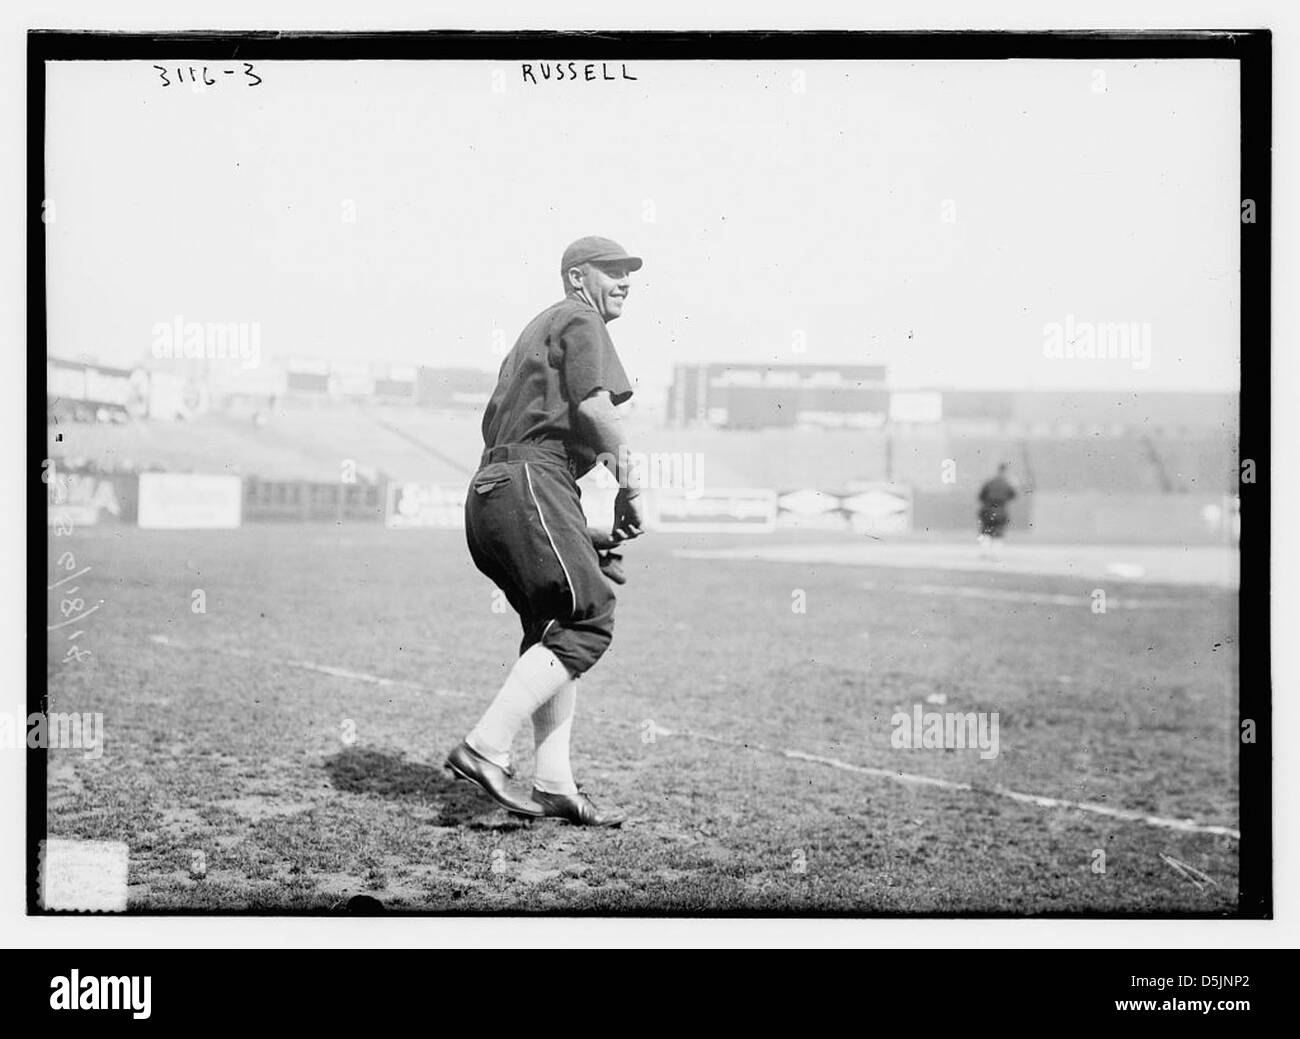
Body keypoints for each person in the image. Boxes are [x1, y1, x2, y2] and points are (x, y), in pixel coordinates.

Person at [444, 236, 645, 828]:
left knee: (554, 626)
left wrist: (584, 535)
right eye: (612, 271)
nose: (626, 280)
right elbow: (594, 410)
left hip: (497, 490)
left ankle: (554, 784)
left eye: (630, 272)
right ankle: (485, 748)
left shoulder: (542, 326)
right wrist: (633, 485)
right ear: (577, 278)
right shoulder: (581, 318)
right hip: (531, 481)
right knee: (587, 619)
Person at [976, 462, 1018, 560]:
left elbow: (981, 496)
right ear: (1006, 471)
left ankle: (984, 553)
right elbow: (1013, 495)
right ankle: (995, 554)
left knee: (985, 531)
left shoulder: (989, 482)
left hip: (988, 508)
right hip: (1000, 509)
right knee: (998, 531)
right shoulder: (1007, 483)